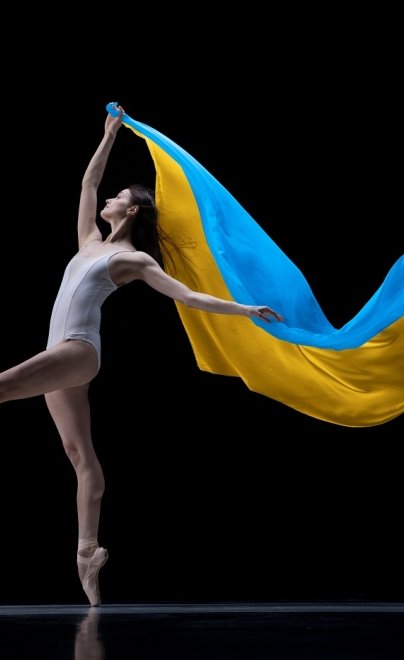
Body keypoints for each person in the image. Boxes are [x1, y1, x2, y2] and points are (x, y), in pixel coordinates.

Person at [0, 105, 283, 607]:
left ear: (130, 212)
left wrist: (245, 309)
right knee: (80, 456)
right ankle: (88, 553)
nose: (109, 198)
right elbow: (88, 185)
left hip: (77, 351)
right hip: (61, 357)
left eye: (119, 197)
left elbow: (188, 297)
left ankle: (87, 552)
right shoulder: (89, 240)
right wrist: (109, 136)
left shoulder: (131, 259)